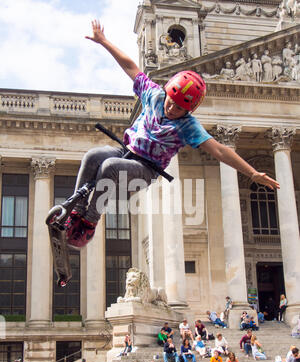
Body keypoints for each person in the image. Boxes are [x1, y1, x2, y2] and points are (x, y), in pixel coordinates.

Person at [63, 19, 279, 249]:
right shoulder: (154, 95)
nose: (171, 108)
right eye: (171, 101)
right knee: (94, 156)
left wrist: (253, 173)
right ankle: (75, 211)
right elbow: (130, 67)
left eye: (179, 108)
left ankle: (88, 223)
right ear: (166, 91)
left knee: (109, 167)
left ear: (188, 110)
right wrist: (104, 41)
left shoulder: (188, 126)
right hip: (126, 152)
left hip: (145, 170)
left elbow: (220, 150)